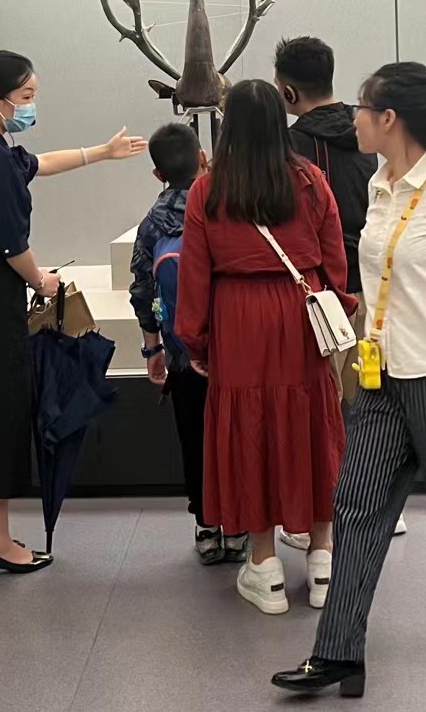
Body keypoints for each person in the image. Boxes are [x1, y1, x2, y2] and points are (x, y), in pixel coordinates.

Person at [272, 62, 426, 697]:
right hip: (380, 378)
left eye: (361, 107)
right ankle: (338, 652)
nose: (352, 118)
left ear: (389, 118)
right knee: (356, 506)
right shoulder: (381, 185)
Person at [0, 50, 147, 578]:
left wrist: (102, 152)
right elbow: (11, 243)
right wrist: (41, 280)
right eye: (26, 97)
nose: (31, 107)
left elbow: (40, 163)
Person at [174, 80, 354, 616]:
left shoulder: (207, 191)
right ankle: (322, 559)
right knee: (311, 425)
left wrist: (195, 339)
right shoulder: (311, 181)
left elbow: (194, 274)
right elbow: (334, 261)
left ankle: (264, 565)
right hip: (301, 312)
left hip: (238, 318)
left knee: (248, 430)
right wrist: (336, 306)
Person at [274, 35, 407, 548]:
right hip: (379, 281)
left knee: (325, 400)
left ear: (288, 93)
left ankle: (328, 513)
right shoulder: (373, 129)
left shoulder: (289, 148)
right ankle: (380, 502)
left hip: (321, 290)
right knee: (372, 396)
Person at [130, 123, 248, 566]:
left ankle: (206, 526)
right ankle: (238, 527)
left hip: (182, 354)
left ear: (157, 174)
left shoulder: (152, 223)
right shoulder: (227, 207)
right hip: (232, 350)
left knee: (194, 437)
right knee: (236, 437)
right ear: (203, 158)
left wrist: (153, 349)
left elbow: (142, 289)